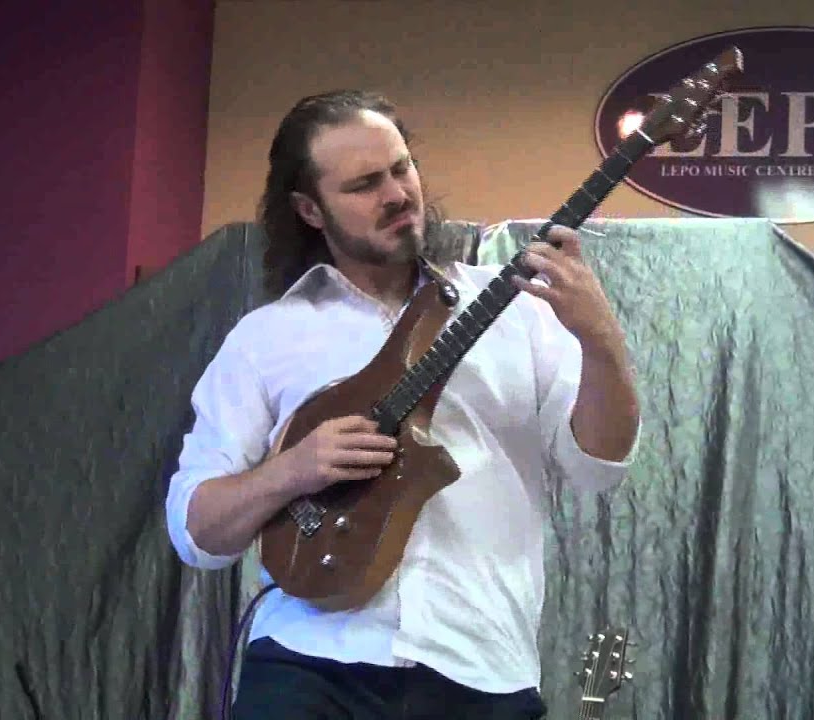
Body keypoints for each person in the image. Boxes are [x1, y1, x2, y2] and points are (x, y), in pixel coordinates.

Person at [165, 89, 640, 719]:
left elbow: (598, 466)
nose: (396, 194)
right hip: (309, 661)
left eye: (401, 168)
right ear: (309, 209)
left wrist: (600, 336)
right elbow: (196, 533)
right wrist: (292, 470)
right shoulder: (266, 338)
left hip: (479, 664)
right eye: (364, 184)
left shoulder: (517, 312)